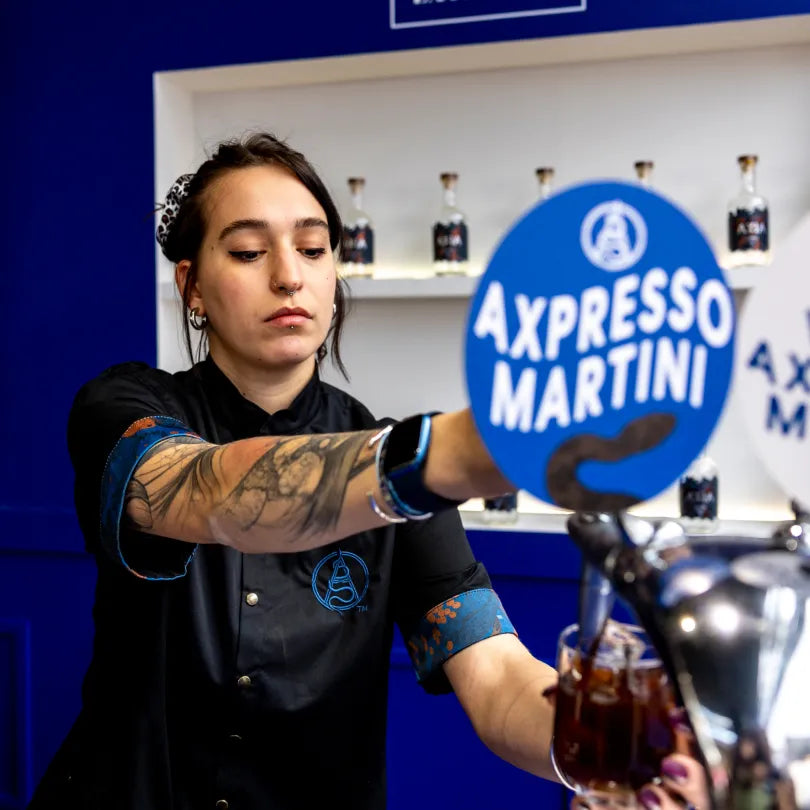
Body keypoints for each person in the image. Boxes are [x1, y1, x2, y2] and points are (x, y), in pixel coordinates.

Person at [28, 132, 708, 810]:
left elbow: (497, 675)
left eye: (313, 248)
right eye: (247, 251)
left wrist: (611, 742)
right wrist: (471, 447)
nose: (289, 275)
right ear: (192, 285)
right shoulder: (123, 408)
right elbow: (211, 493)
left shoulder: (399, 464)